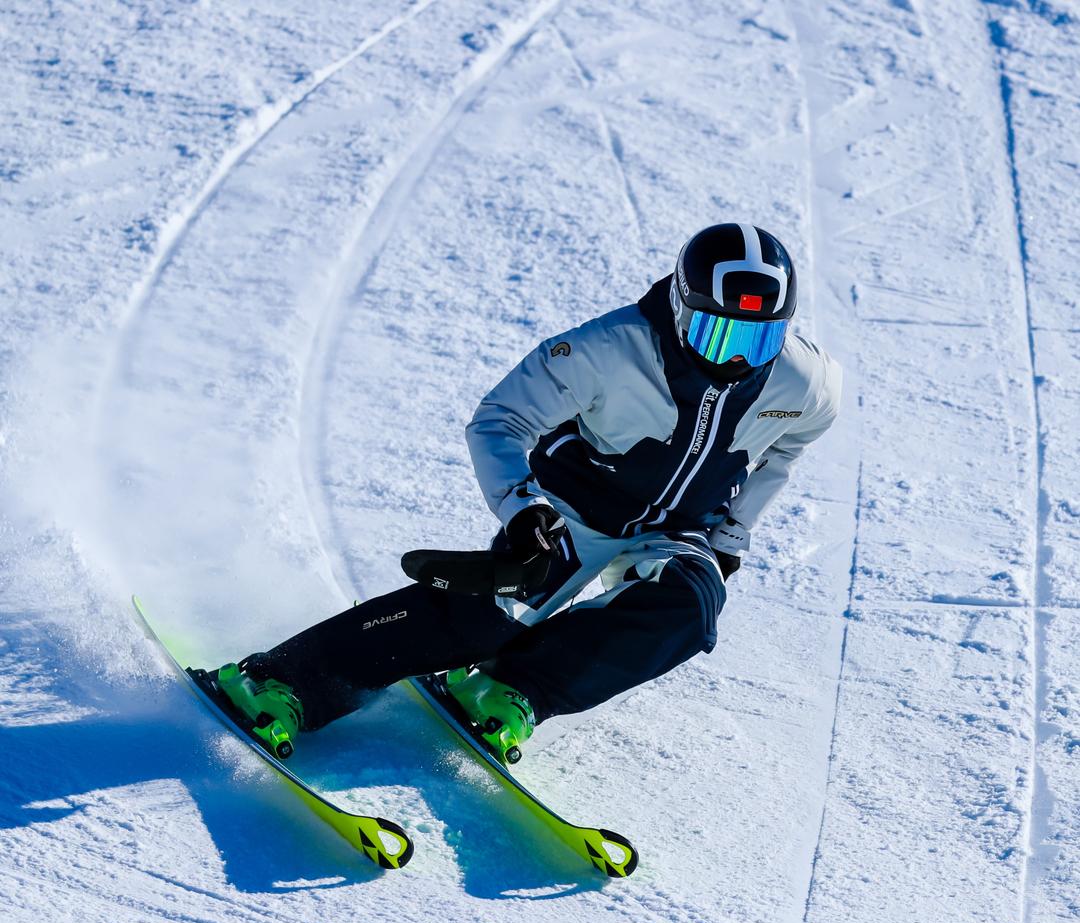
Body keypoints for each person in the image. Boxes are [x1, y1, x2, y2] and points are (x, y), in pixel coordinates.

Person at [217, 223, 841, 765]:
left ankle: (509, 688)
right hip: (574, 509)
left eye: (756, 341)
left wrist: (733, 532)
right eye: (717, 333)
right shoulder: (606, 350)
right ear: (681, 305)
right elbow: (498, 421)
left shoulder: (803, 379)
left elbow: (793, 440)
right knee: (488, 615)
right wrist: (523, 511)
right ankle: (279, 681)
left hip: (676, 526)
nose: (735, 359)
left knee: (690, 608)